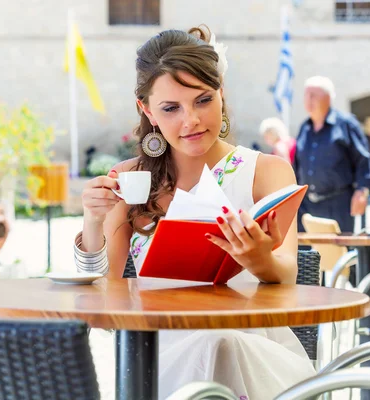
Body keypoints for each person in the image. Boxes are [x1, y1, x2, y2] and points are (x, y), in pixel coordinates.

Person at [75, 25, 315, 399]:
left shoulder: (266, 171)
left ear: (221, 93)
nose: (191, 120)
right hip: (160, 354)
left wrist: (257, 258)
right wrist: (92, 220)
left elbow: (287, 277)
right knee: (208, 349)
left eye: (203, 100)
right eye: (171, 108)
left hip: (255, 350)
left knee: (218, 345)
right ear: (147, 110)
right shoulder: (129, 179)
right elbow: (101, 298)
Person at [294, 76, 370, 233]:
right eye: (306, 95)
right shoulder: (304, 128)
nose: (309, 100)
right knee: (309, 255)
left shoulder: (346, 124)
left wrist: (362, 191)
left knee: (339, 253)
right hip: (307, 205)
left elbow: (363, 159)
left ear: (328, 98)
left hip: (338, 204)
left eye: (314, 95)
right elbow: (297, 164)